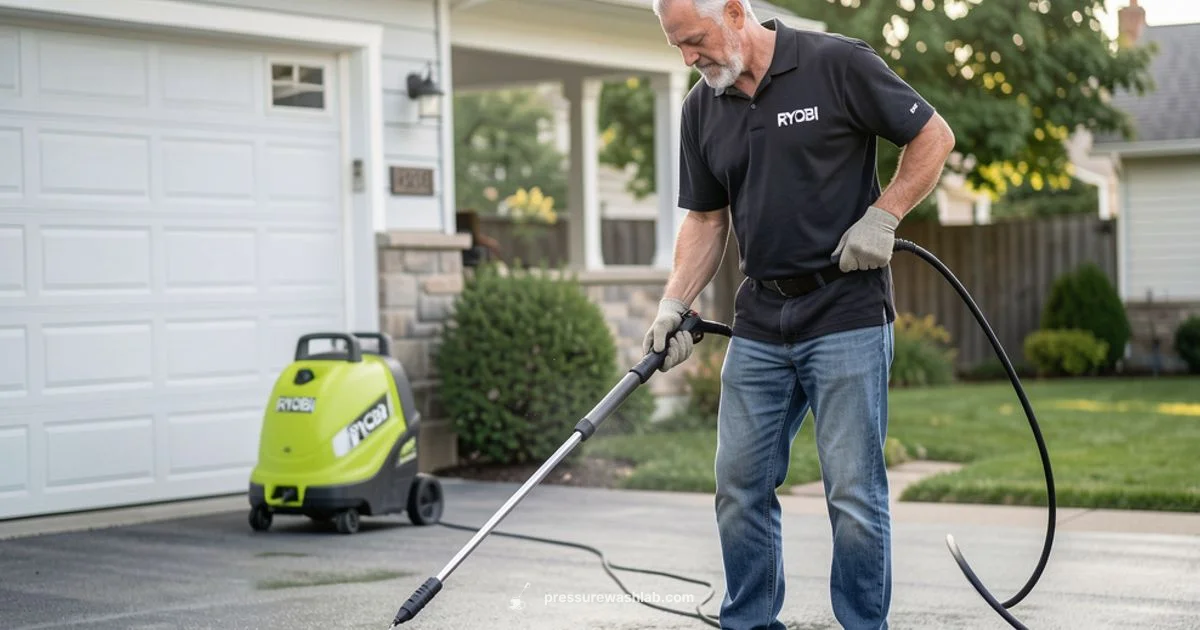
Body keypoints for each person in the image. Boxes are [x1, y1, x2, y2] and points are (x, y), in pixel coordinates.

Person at [643, 1, 956, 629]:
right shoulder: (702, 107)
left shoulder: (835, 63)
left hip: (846, 312)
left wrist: (885, 214)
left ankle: (863, 624)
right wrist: (675, 302)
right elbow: (707, 219)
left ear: (734, 12)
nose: (688, 58)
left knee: (852, 493)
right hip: (761, 318)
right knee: (739, 484)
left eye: (695, 40)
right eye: (677, 46)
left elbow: (934, 135)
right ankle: (751, 622)